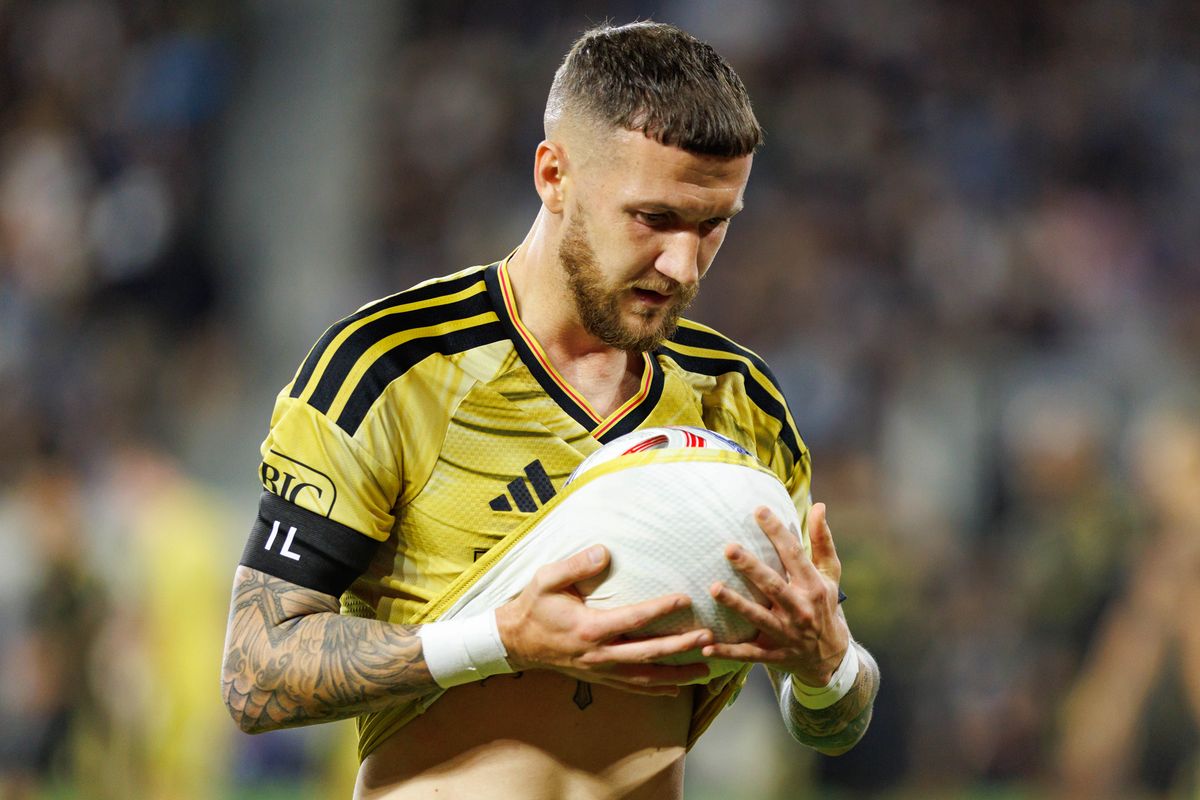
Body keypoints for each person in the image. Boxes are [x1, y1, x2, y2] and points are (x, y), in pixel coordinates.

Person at [221, 21, 880, 799]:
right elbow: (257, 671)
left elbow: (830, 721)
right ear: (553, 174)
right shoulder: (394, 365)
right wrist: (502, 640)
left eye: (713, 226)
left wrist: (826, 665)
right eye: (654, 218)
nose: (683, 264)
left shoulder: (739, 400)